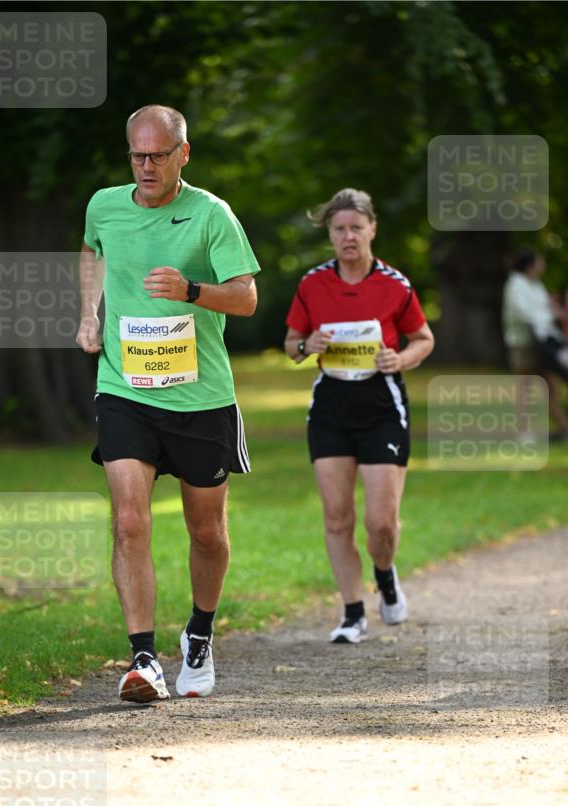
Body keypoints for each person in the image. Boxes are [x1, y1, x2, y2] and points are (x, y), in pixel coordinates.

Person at [77, 105, 259, 703]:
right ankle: (144, 660)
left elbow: (248, 298)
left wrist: (191, 291)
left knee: (205, 531)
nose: (147, 166)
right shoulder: (104, 204)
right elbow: (92, 252)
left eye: (158, 155)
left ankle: (200, 633)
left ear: (185, 153)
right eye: (137, 155)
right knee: (129, 519)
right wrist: (88, 314)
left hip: (201, 396)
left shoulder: (212, 215)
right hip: (125, 387)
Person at [284, 188, 434, 643]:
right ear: (329, 234)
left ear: (372, 229)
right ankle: (352, 612)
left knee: (381, 523)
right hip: (331, 405)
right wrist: (306, 347)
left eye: (356, 227)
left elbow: (423, 339)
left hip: (381, 407)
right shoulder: (313, 283)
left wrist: (400, 360)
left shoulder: (395, 284)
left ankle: (385, 576)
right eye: (338, 229)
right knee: (336, 517)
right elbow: (291, 343)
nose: (348, 236)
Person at [502, 248, 568, 440]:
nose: (542, 265)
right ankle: (523, 430)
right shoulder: (516, 285)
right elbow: (523, 312)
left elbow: (545, 308)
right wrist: (546, 315)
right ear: (530, 265)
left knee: (550, 385)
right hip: (523, 343)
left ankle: (564, 428)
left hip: (542, 343)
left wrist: (554, 312)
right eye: (540, 261)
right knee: (526, 386)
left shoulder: (536, 285)